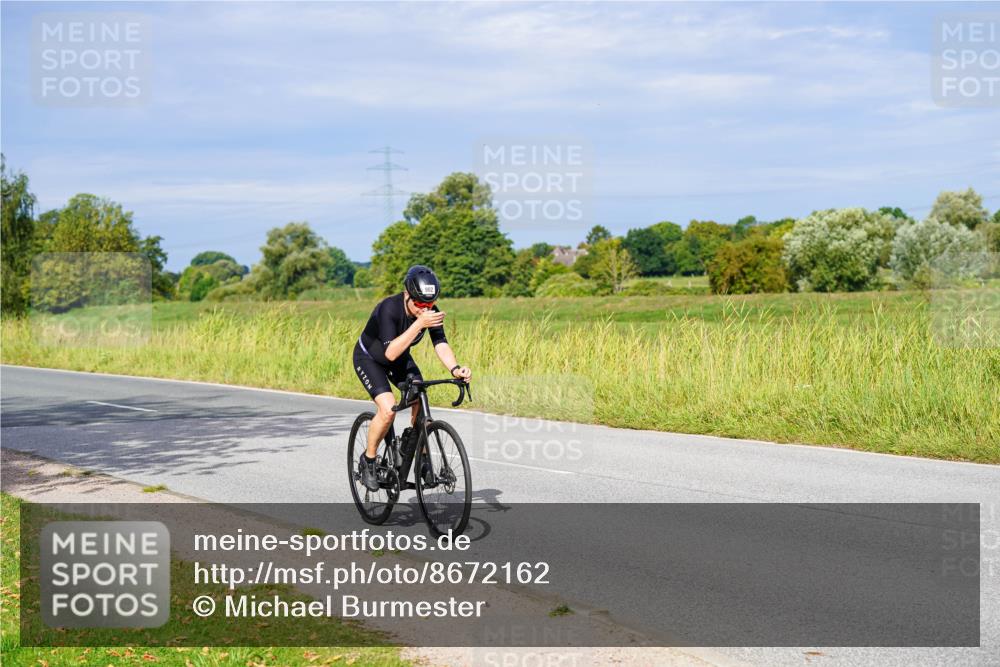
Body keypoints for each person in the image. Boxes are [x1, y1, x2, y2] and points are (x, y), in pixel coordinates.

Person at [353, 265, 472, 490]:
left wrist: (455, 369)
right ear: (407, 294)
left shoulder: (428, 310)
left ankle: (420, 455)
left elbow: (441, 343)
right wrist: (419, 324)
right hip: (370, 359)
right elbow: (390, 353)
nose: (424, 309)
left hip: (399, 358)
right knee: (388, 410)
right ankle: (368, 461)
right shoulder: (388, 308)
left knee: (420, 394)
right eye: (419, 304)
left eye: (429, 304)